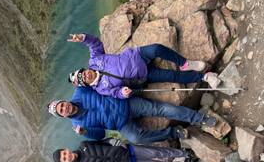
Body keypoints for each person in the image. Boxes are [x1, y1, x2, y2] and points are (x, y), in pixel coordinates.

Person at [66, 33, 221, 99]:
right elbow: (115, 93)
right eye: (82, 79)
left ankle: (186, 63)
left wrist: (83, 38)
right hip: (142, 75)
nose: (85, 75)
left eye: (82, 73)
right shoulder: (101, 88)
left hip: (136, 55)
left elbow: (95, 44)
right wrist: (123, 93)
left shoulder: (94, 60)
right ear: (85, 83)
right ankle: (206, 76)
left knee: (157, 48)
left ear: (84, 69)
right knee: (171, 76)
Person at [47, 87, 217, 143]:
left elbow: (97, 79)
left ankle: (199, 118)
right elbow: (101, 134)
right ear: (63, 116)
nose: (65, 108)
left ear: (63, 101)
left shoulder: (80, 91)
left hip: (125, 104)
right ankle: (173, 133)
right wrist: (86, 133)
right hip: (121, 125)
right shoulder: (78, 125)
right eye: (61, 111)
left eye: (62, 105)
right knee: (136, 138)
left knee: (160, 109)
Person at [52, 139, 197, 162]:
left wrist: (117, 142)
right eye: (64, 159)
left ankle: (184, 153)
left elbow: (104, 141)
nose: (67, 156)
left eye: (64, 153)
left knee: (156, 152)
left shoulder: (84, 144)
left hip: (127, 150)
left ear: (66, 149)